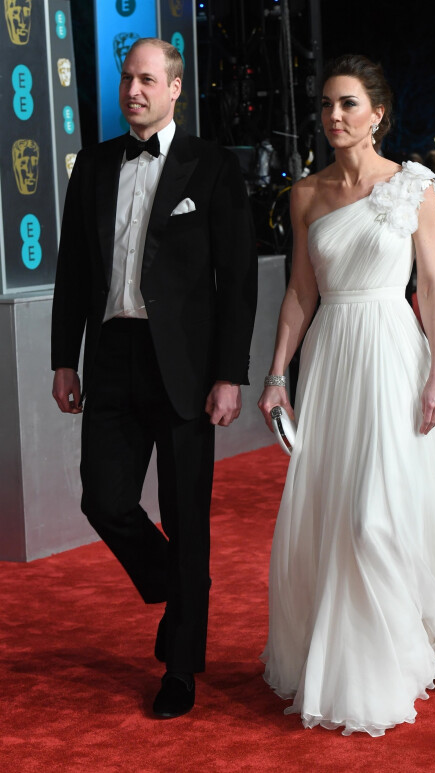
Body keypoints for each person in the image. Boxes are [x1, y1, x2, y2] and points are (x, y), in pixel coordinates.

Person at [258, 54, 435, 736]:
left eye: (349, 104)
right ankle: (369, 660)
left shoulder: (414, 186)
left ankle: (390, 656)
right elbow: (301, 293)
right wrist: (278, 374)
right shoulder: (305, 194)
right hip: (333, 358)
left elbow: (434, 285)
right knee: (340, 514)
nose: (335, 115)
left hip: (394, 353)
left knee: (376, 517)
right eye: (328, 103)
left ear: (378, 114)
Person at [51, 38, 257, 720]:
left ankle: (181, 670)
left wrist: (230, 374)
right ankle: (176, 583)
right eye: (126, 78)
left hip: (188, 370)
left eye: (147, 79)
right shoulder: (96, 166)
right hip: (111, 357)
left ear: (174, 89)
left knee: (186, 515)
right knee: (103, 500)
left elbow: (239, 282)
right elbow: (74, 272)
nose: (133, 89)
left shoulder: (213, 168)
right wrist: (63, 358)